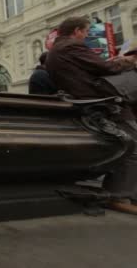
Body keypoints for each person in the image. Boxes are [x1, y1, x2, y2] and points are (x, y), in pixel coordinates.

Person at [46, 16, 137, 214]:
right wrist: (128, 61)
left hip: (92, 101)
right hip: (103, 103)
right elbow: (106, 68)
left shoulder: (56, 49)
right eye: (86, 32)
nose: (87, 36)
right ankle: (117, 196)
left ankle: (125, 193)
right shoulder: (71, 47)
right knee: (133, 146)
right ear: (77, 30)